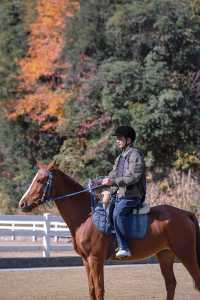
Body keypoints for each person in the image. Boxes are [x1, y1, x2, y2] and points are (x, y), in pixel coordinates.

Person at [102, 125, 146, 258]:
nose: (117, 141)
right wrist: (102, 181)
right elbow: (113, 175)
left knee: (118, 214)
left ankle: (124, 247)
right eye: (117, 138)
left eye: (119, 138)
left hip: (132, 195)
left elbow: (134, 177)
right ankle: (113, 244)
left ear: (128, 140)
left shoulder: (135, 155)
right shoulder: (120, 157)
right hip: (119, 194)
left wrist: (113, 181)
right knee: (108, 213)